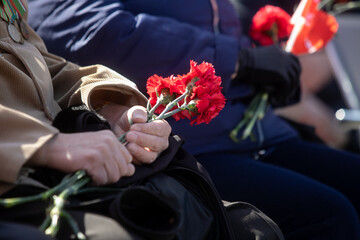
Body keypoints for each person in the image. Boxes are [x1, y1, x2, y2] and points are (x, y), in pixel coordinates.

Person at [26, 0, 360, 239]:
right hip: (180, 144)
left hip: (251, 129)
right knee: (328, 215)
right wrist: (239, 60)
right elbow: (71, 20)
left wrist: (263, 67)